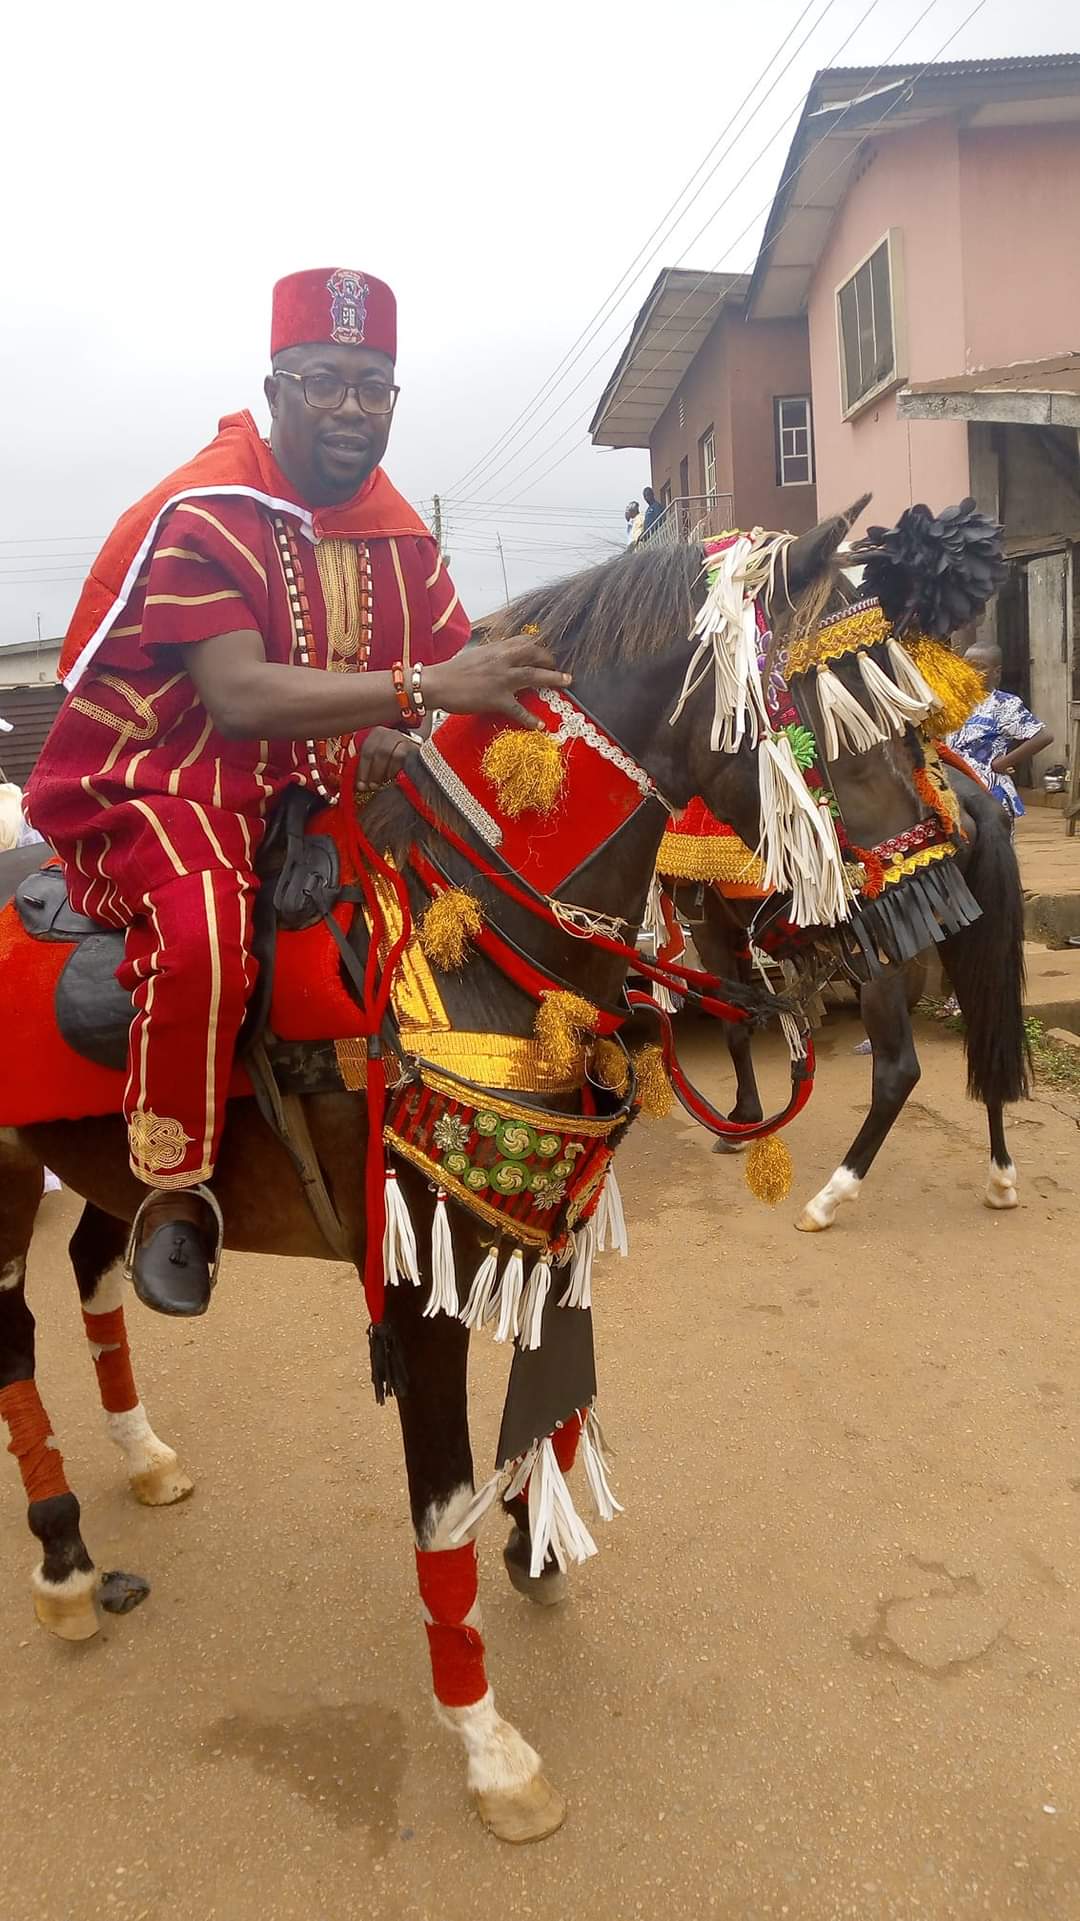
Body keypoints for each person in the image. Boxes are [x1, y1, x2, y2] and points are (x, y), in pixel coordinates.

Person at [27, 267, 569, 1319]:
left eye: (374, 386)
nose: (353, 408)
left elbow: (467, 668)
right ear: (275, 386)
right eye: (325, 381)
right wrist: (416, 689)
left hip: (292, 781)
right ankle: (173, 1183)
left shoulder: (397, 533)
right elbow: (234, 697)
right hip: (158, 780)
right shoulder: (207, 512)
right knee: (205, 930)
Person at [946, 640, 1054, 819]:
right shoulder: (955, 702)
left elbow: (1043, 737)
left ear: (996, 672)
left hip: (989, 790)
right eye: (967, 666)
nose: (971, 672)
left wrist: (1002, 763)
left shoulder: (1004, 704)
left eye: (980, 667)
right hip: (956, 788)